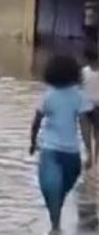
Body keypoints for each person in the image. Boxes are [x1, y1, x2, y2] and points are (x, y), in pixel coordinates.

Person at [29, 54, 93, 235]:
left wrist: (32, 141)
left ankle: (55, 220)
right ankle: (55, 226)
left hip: (59, 152)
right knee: (56, 187)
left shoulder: (50, 96)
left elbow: (36, 121)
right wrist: (89, 151)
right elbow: (85, 125)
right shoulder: (77, 96)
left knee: (54, 189)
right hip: (62, 151)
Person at [81, 45, 99, 163]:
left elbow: (78, 88)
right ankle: (96, 158)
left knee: (85, 132)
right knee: (97, 134)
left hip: (85, 107)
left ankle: (89, 155)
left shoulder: (83, 71)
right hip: (97, 107)